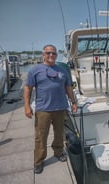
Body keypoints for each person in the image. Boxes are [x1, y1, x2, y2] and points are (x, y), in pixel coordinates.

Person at [24, 44, 77, 174]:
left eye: (53, 53)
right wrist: (27, 106)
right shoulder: (34, 70)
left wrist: (73, 102)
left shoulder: (62, 70)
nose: (51, 55)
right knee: (41, 136)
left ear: (56, 55)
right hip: (43, 110)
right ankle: (39, 161)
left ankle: (58, 152)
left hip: (61, 108)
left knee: (59, 133)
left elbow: (68, 87)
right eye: (48, 53)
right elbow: (28, 88)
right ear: (43, 54)